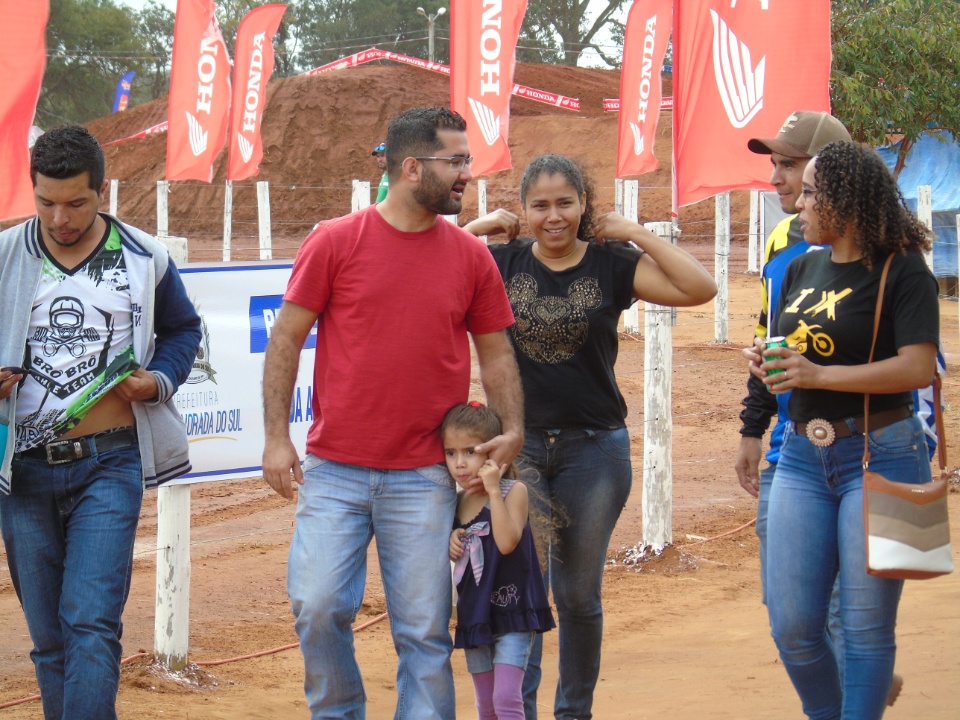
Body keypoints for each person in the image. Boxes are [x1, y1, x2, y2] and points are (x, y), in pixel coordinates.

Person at [261, 106, 524, 720]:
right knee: (319, 607)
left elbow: (497, 353)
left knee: (426, 632)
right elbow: (285, 340)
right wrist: (277, 438)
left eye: (467, 160)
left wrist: (513, 429)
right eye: (455, 161)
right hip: (334, 472)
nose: (467, 172)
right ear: (412, 167)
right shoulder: (334, 241)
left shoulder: (470, 257)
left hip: (428, 476)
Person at [469, 154, 716, 720]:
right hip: (518, 448)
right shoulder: (500, 261)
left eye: (565, 203)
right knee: (522, 591)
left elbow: (700, 287)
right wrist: (481, 227)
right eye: (540, 205)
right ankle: (517, 712)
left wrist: (635, 232)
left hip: (595, 449)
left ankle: (573, 712)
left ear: (584, 205)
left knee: (577, 596)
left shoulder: (610, 265)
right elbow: (427, 268)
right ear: (524, 209)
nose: (553, 216)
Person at [0, 124, 201, 719]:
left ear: (103, 191)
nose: (59, 218)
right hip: (22, 473)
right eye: (45, 202)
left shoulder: (144, 258)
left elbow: (183, 330)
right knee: (50, 640)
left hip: (107, 463)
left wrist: (158, 379)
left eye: (76, 202)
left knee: (90, 622)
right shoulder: (6, 256)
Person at [744, 141, 939, 719]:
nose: (797, 204)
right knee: (793, 624)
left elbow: (919, 367)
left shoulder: (903, 268)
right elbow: (793, 352)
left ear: (845, 202)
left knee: (865, 628)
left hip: (886, 453)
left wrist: (820, 372)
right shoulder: (801, 265)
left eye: (809, 193)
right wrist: (768, 363)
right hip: (803, 455)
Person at [444, 401, 555, 720]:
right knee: (487, 707)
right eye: (451, 453)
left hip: (514, 613)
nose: (460, 463)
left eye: (470, 452)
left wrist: (493, 491)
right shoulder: (456, 502)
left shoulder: (512, 492)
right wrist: (451, 539)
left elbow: (507, 542)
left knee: (506, 699)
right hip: (476, 614)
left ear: (493, 453)